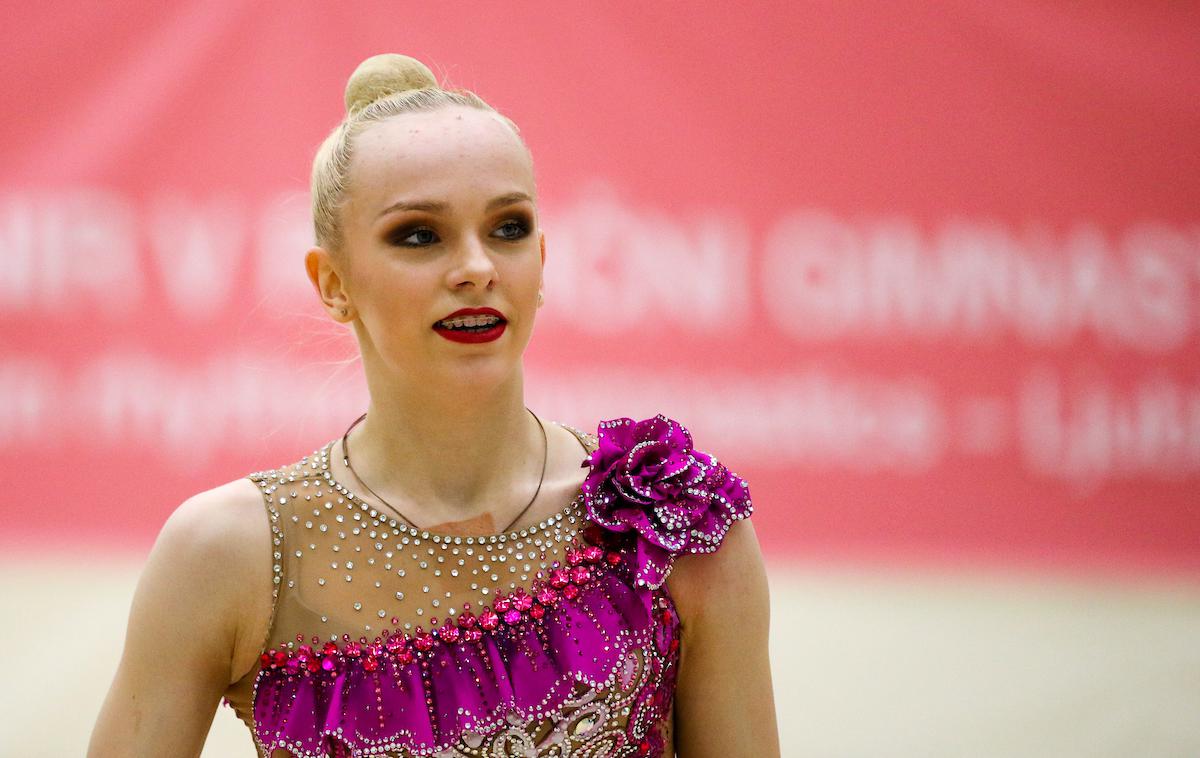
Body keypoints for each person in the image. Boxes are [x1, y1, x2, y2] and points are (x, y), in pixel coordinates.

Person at [89, 53, 778, 758]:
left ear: (541, 258)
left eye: (507, 229)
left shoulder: (671, 523)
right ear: (332, 282)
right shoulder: (229, 552)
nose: (477, 267)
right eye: (420, 235)